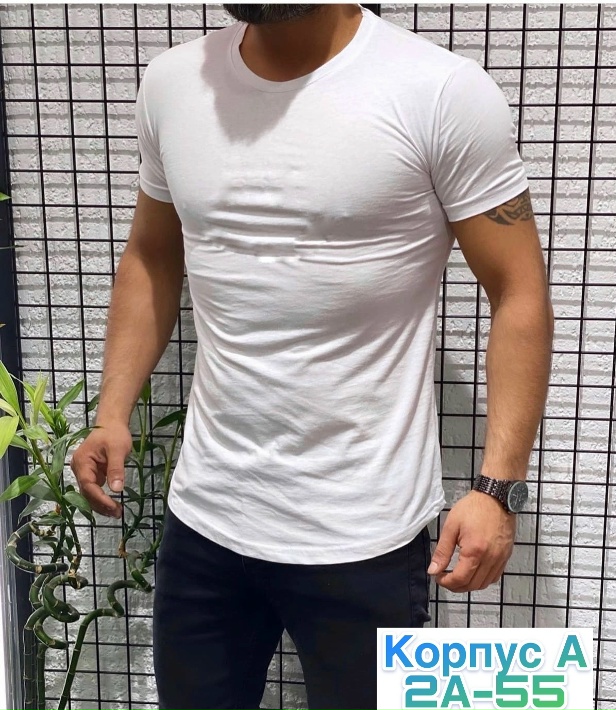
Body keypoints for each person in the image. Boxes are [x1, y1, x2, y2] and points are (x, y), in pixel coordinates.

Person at [70, 4, 554, 709]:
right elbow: (151, 256)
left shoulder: (439, 91)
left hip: (365, 534)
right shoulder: (173, 83)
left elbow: (519, 291)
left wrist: (498, 489)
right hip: (206, 519)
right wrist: (113, 411)